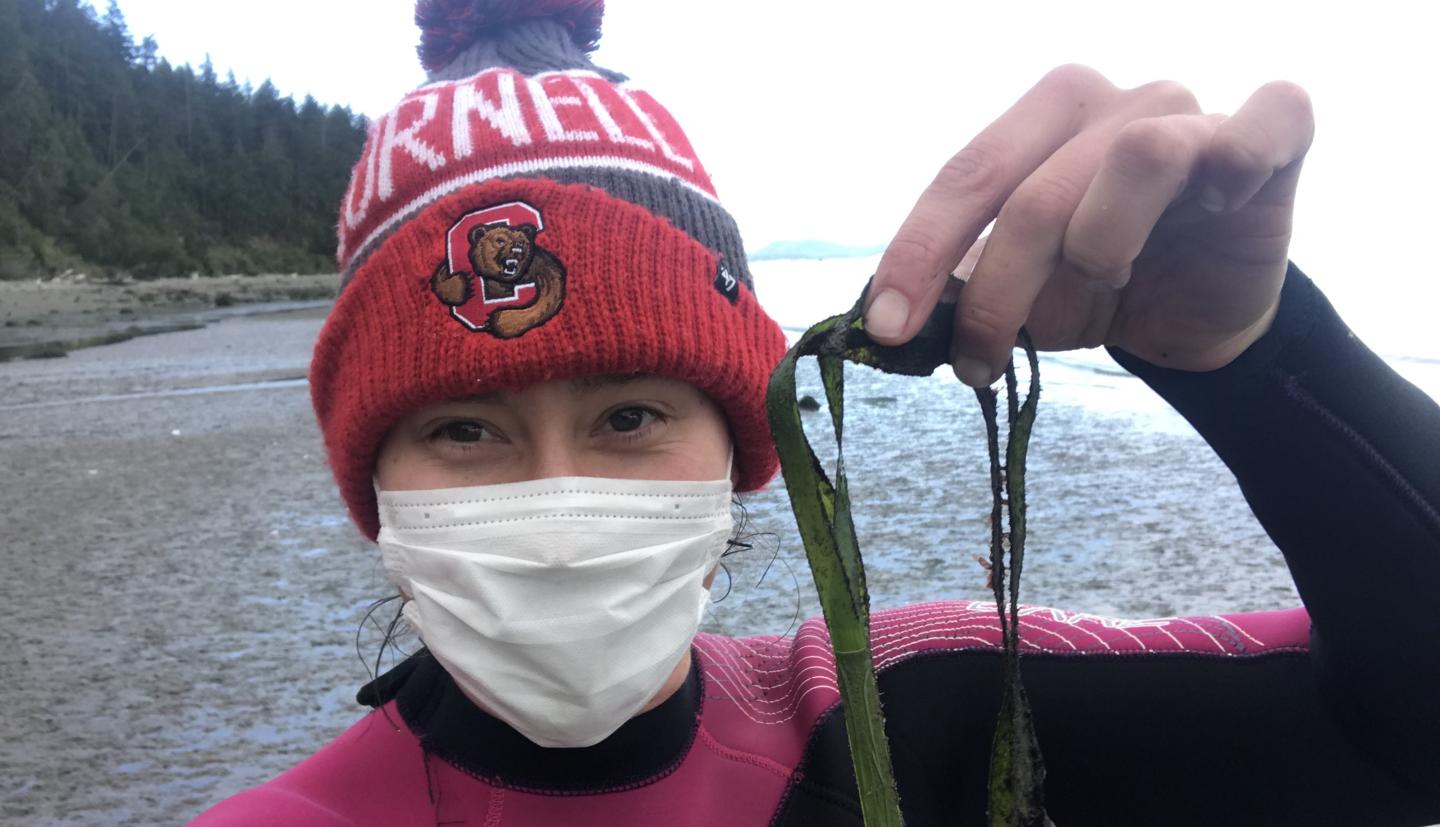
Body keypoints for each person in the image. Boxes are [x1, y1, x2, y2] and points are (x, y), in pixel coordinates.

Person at [192, 2, 1440, 824]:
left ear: (742, 442)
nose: (563, 505)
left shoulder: (916, 712)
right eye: (464, 428)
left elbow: (1400, 736)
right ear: (373, 479)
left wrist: (1257, 359)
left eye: (630, 415)